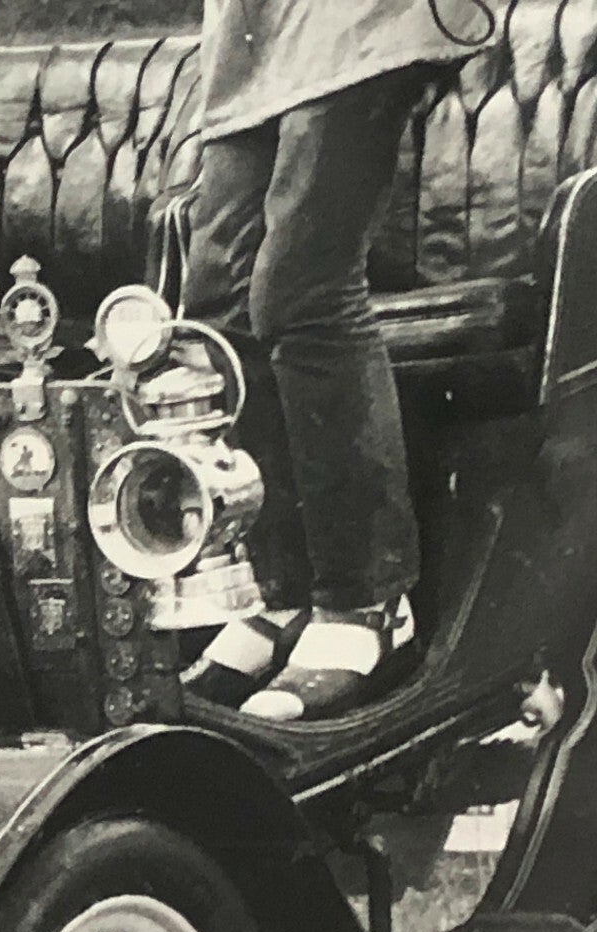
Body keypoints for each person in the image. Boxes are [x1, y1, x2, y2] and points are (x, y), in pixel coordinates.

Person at [180, 0, 494, 721]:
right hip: (251, 36)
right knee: (216, 310)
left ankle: (369, 603)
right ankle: (284, 593)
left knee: (301, 290)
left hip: (357, 25)